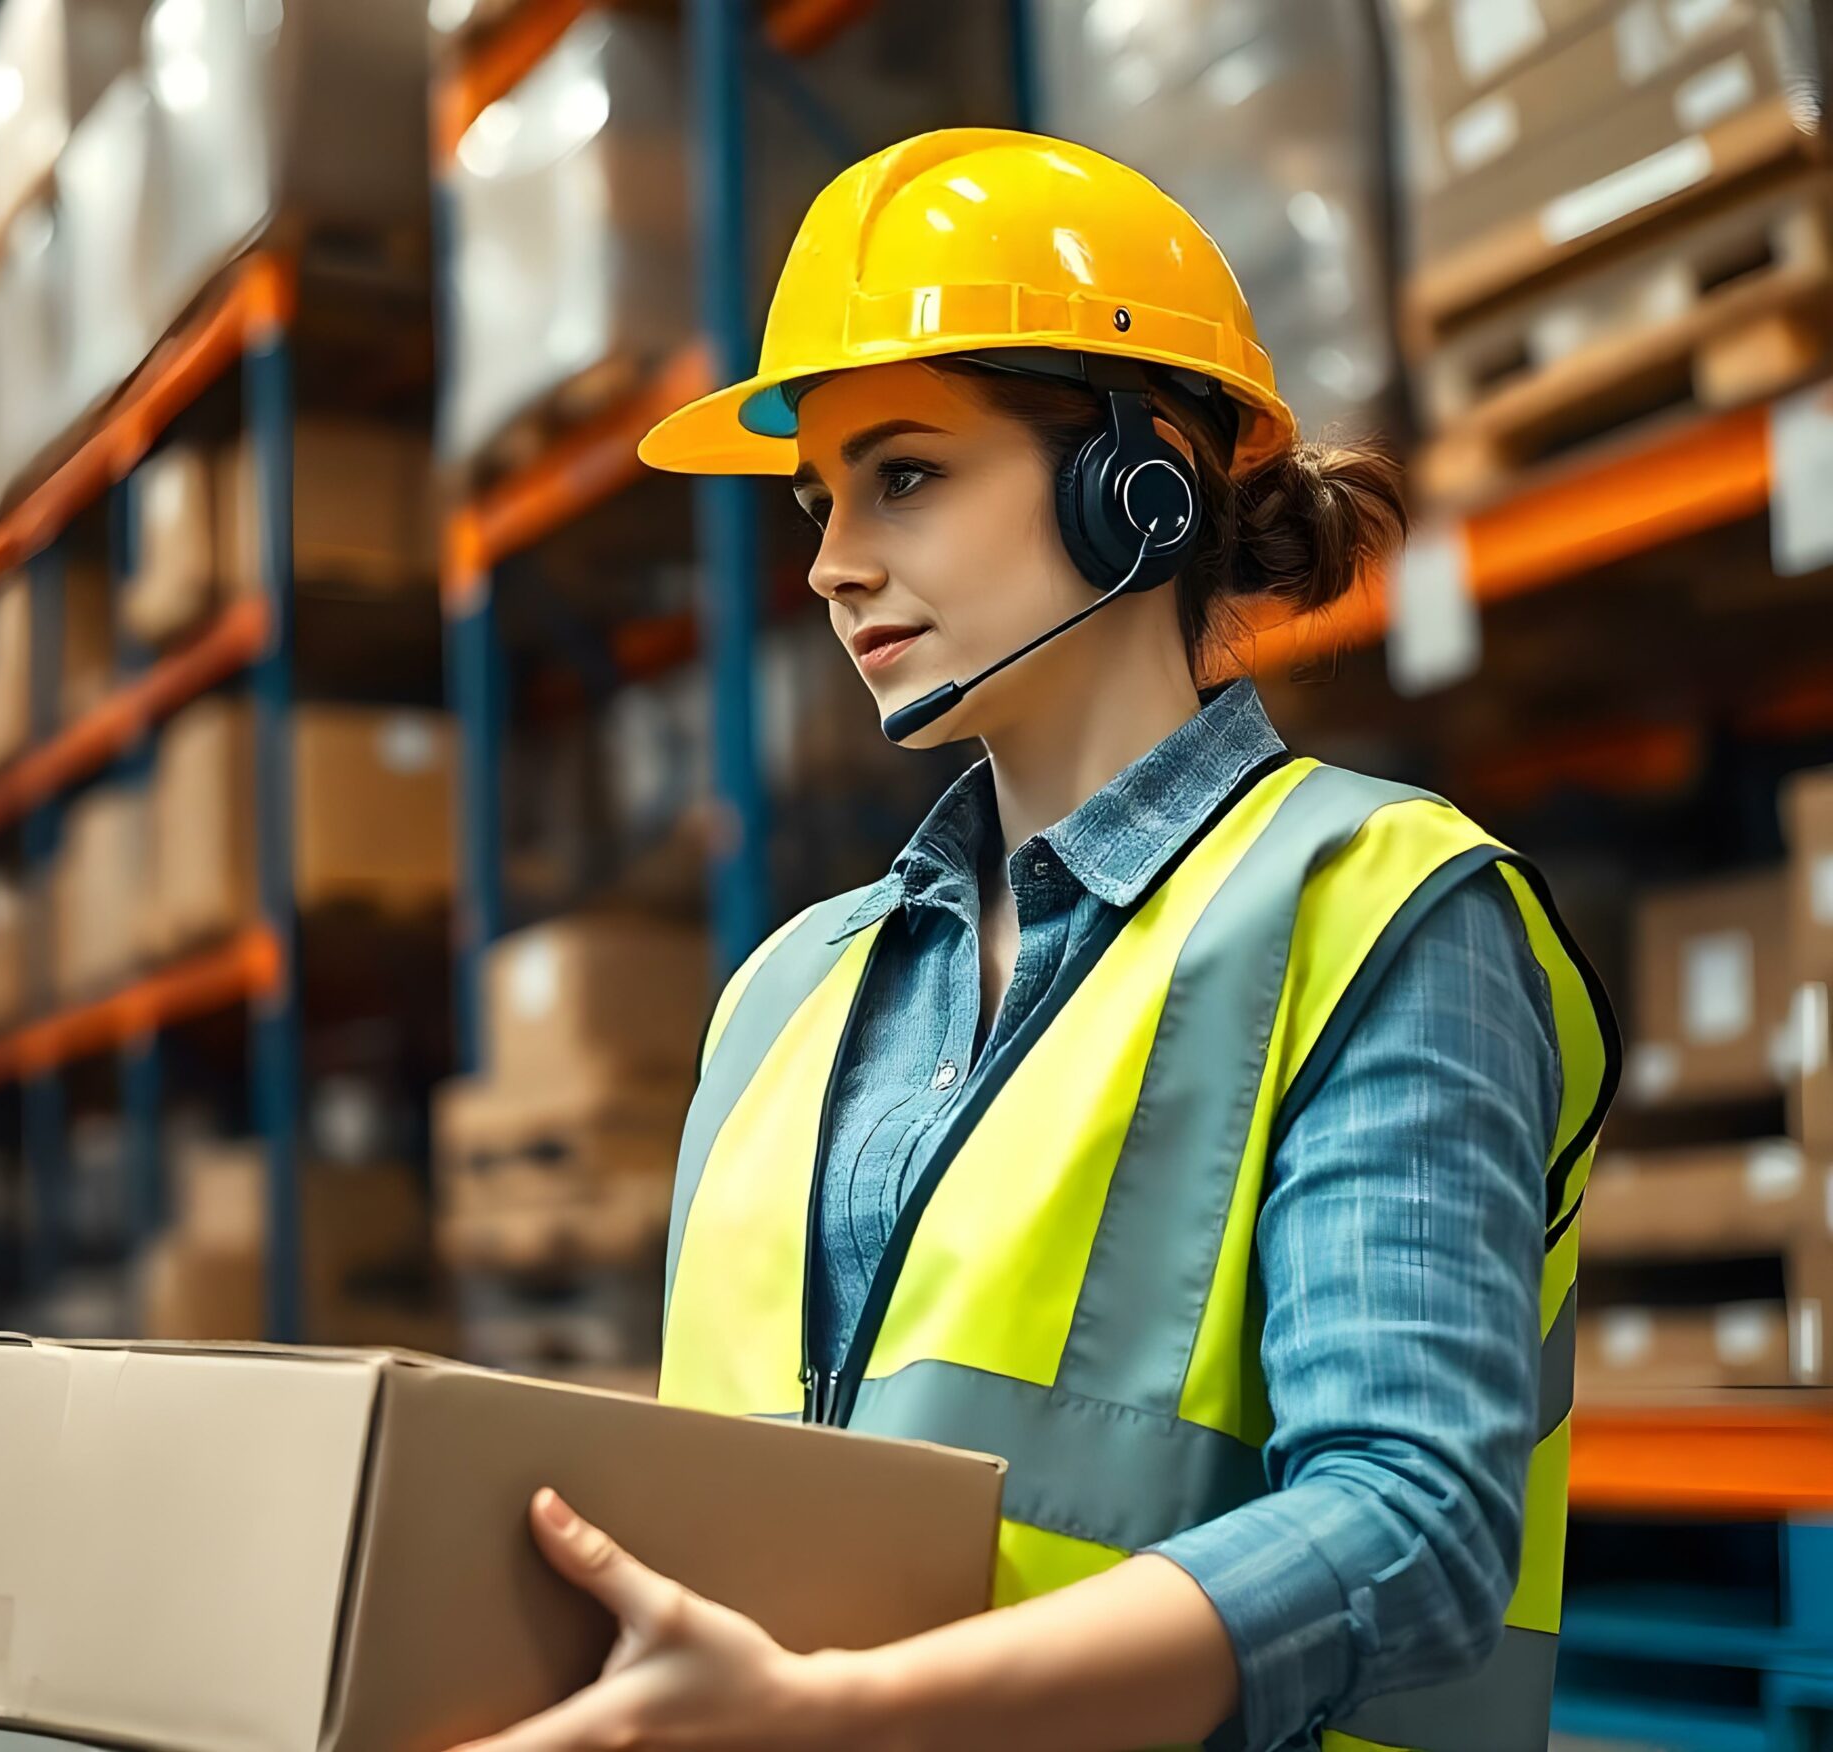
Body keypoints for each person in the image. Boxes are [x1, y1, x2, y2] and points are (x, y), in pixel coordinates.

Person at [452, 130, 1618, 1752]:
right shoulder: (783, 997)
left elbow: (1411, 1531)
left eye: (906, 475)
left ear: (1134, 492)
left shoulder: (1379, 915)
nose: (831, 560)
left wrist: (842, 1714)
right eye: (817, 499)